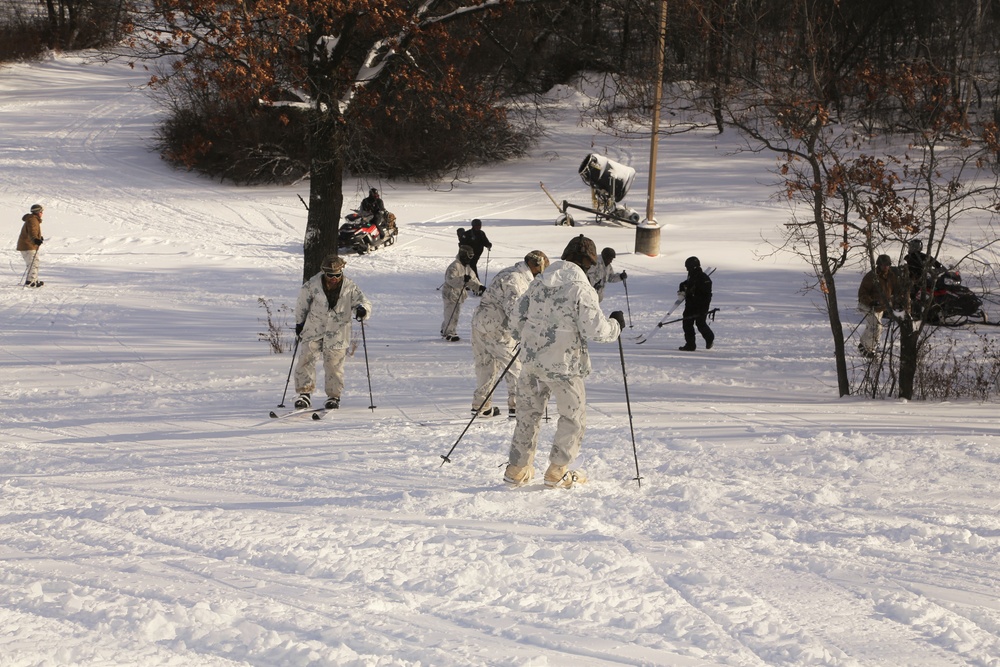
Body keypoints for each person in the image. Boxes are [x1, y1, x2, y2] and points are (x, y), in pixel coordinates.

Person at [503, 234, 624, 490]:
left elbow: (515, 319)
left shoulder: (538, 283)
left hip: (532, 363)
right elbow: (596, 330)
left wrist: (528, 338)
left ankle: (517, 469)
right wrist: (616, 326)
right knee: (573, 417)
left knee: (528, 415)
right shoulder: (581, 288)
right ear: (588, 263)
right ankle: (557, 471)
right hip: (564, 367)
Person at [470, 250, 550, 418]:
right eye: (542, 269)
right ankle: (518, 406)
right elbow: (514, 309)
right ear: (535, 266)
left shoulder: (509, 272)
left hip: (480, 323)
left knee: (486, 364)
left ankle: (482, 405)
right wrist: (528, 329)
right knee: (516, 365)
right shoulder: (516, 279)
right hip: (497, 326)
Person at [293, 254, 372, 410]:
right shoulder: (311, 286)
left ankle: (333, 397)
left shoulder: (350, 287)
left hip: (338, 332)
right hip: (313, 328)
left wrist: (363, 310)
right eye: (330, 275)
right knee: (305, 359)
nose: (334, 278)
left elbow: (363, 301)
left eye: (337, 274)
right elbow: (302, 304)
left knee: (334, 365)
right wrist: (299, 322)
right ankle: (304, 394)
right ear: (324, 272)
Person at [857, 254, 898, 359]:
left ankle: (869, 348)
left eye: (888, 264)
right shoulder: (871, 276)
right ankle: (864, 347)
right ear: (879, 265)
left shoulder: (891, 276)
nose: (886, 267)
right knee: (876, 327)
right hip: (867, 306)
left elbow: (896, 290)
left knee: (874, 328)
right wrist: (870, 302)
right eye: (884, 265)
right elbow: (862, 293)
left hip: (881, 307)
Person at [441, 245, 484, 341]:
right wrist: (462, 279)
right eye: (469, 257)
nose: (470, 259)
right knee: (451, 313)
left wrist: (479, 287)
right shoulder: (454, 266)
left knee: (455, 312)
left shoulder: (467, 267)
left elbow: (472, 279)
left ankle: (445, 328)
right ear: (464, 255)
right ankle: (448, 333)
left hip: (458, 294)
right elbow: (450, 279)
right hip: (450, 293)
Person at [678, 256, 714, 351]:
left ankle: (709, 338)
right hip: (690, 305)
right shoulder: (692, 276)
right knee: (687, 323)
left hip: (701, 306)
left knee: (700, 323)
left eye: (688, 267)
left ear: (693, 266)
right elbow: (685, 283)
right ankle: (690, 345)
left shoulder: (703, 278)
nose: (687, 269)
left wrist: (693, 294)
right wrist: (682, 290)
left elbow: (706, 294)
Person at [17, 204, 45, 287]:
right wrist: (35, 239)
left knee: (32, 263)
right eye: (41, 211)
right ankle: (31, 281)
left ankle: (34, 280)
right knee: (34, 263)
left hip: (27, 244)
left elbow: (32, 231)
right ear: (37, 212)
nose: (42, 213)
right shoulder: (33, 220)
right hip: (28, 245)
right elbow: (32, 231)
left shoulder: (32, 219)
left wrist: (39, 237)